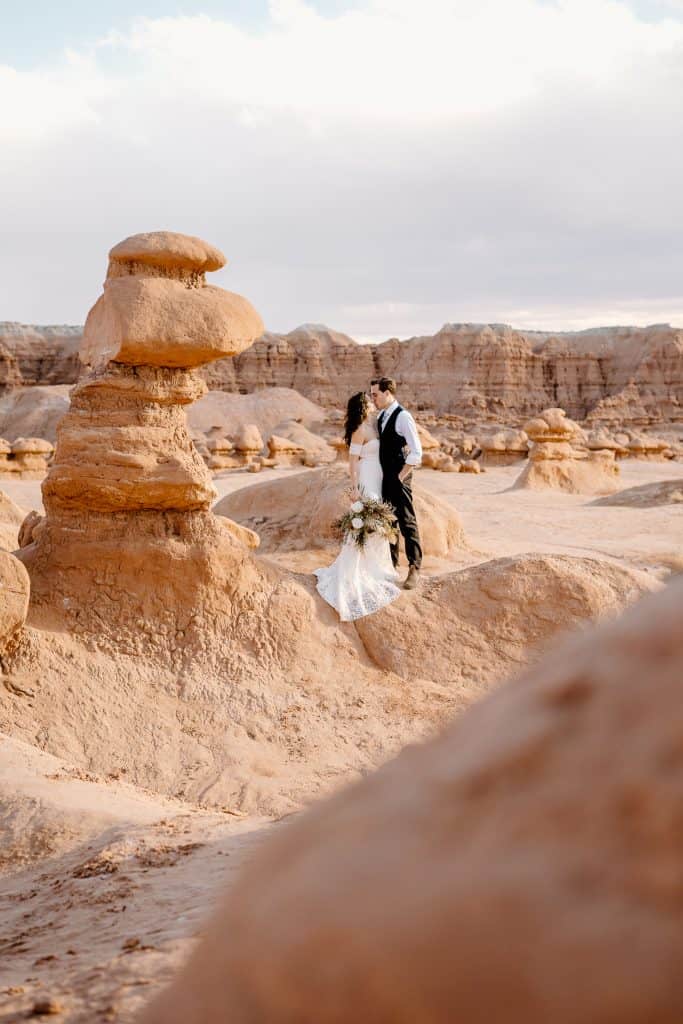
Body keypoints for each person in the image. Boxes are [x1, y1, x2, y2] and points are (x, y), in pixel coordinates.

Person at [313, 391, 401, 622]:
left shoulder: (374, 426)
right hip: (366, 478)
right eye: (369, 401)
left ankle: (377, 568)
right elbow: (352, 463)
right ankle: (358, 570)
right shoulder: (359, 430)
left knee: (378, 522)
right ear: (363, 406)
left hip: (378, 478)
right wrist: (354, 489)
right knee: (369, 522)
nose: (373, 403)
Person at [369, 377, 423, 590]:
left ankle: (414, 568)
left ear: (387, 393)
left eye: (375, 394)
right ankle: (391, 566)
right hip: (385, 478)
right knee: (388, 522)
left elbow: (416, 452)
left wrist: (400, 477)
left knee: (407, 522)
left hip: (399, 477)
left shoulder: (403, 417)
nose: (373, 398)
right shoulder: (382, 416)